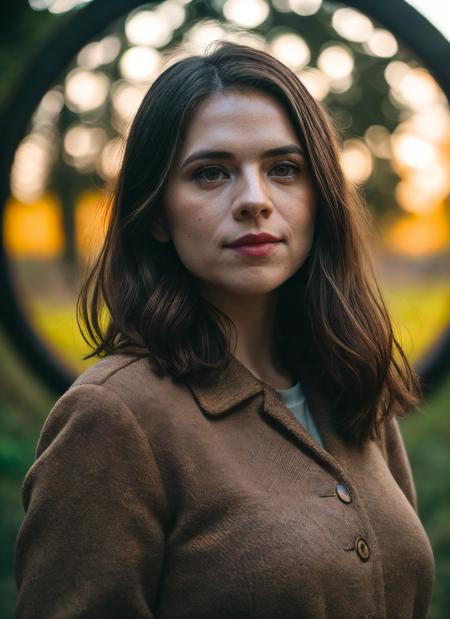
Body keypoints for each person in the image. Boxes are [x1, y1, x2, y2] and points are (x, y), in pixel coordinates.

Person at [15, 41, 435, 618]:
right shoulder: (112, 419)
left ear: (321, 198)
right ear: (158, 213)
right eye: (211, 173)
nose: (255, 201)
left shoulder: (350, 383)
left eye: (284, 169)